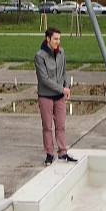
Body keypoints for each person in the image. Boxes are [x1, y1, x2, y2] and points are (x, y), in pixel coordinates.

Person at [34, 27, 77, 166]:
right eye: (55, 39)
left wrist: (66, 88)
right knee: (47, 126)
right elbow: (44, 79)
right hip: (46, 96)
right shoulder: (40, 56)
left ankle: (63, 152)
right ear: (48, 39)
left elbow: (64, 71)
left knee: (61, 125)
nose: (58, 42)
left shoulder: (61, 52)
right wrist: (62, 89)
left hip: (59, 96)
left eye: (59, 39)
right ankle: (49, 154)